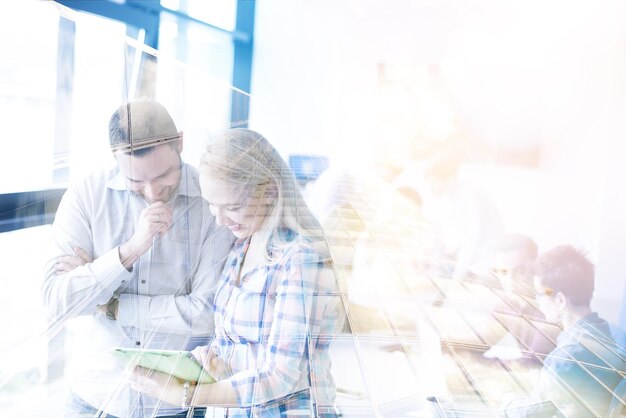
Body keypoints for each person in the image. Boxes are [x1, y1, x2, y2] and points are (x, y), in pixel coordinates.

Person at [130, 128, 344, 417]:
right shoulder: (242, 247)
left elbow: (282, 376)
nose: (219, 219)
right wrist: (212, 357)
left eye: (232, 207)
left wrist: (182, 394)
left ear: (270, 192)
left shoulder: (300, 259)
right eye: (211, 205)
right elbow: (233, 340)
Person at [41, 99, 233, 418]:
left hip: (176, 405)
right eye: (135, 181)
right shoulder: (86, 195)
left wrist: (112, 305)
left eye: (163, 175)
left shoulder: (212, 201)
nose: (152, 191)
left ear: (181, 143)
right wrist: (129, 250)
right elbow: (56, 302)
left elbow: (207, 314)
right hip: (94, 399)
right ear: (115, 156)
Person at [503, 245, 626, 417]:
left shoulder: (569, 354)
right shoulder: (605, 331)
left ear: (560, 300)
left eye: (539, 294)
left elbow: (530, 413)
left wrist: (504, 400)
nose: (537, 301)